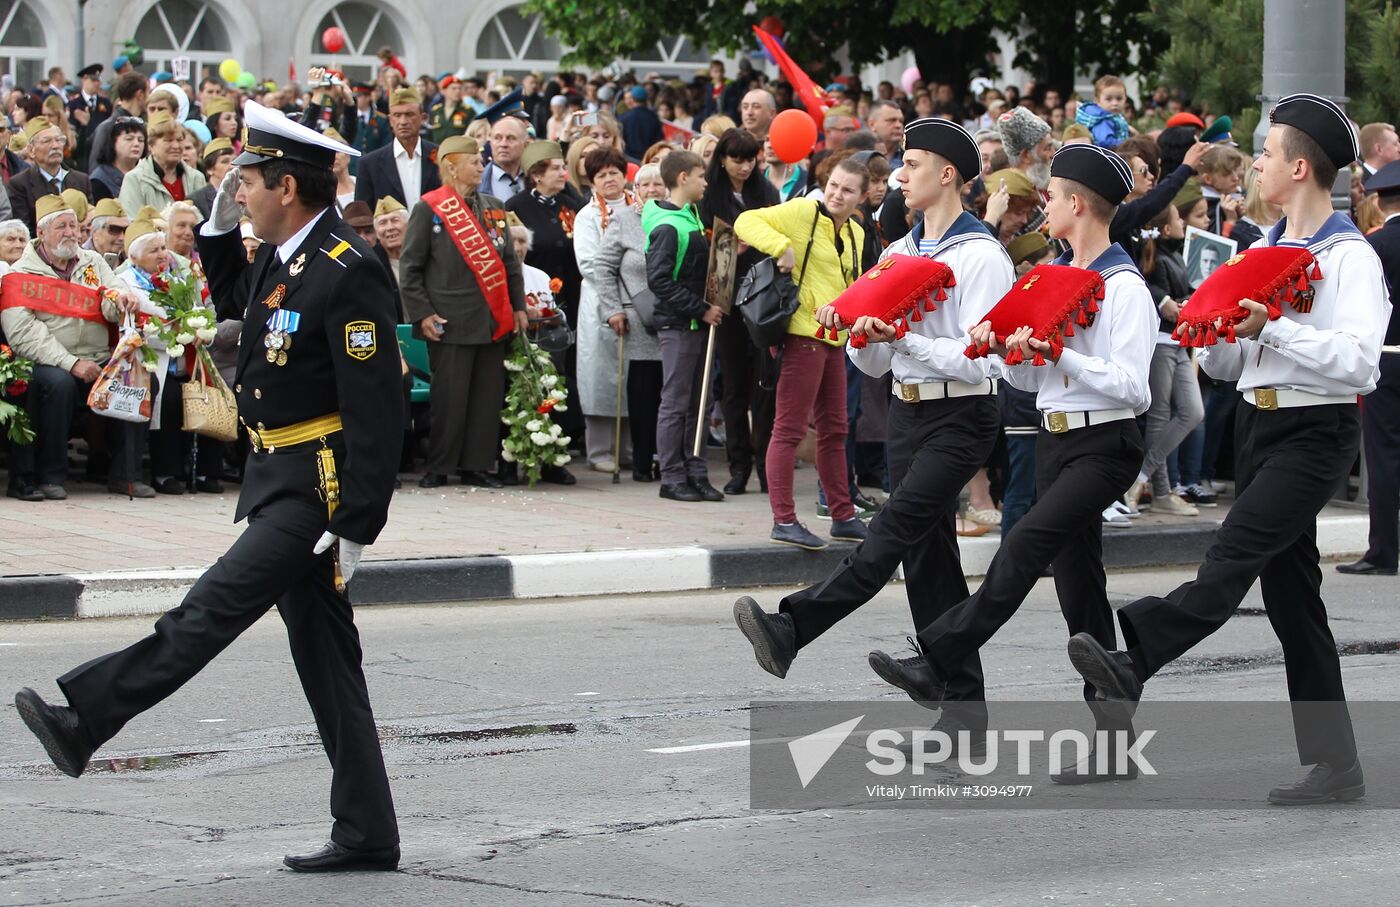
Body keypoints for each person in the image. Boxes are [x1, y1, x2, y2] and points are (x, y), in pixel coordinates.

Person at [14, 101, 406, 870]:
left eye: (249, 180)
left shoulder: (347, 268)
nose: (239, 189)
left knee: (206, 611)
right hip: (279, 479)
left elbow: (378, 404)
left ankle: (86, 719)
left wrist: (359, 518)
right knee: (330, 667)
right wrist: (224, 226)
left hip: (315, 492)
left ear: (286, 188)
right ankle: (367, 830)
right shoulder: (288, 255)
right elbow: (237, 303)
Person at [1068, 94, 1390, 804]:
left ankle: (1137, 657)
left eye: (1268, 153)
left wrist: (1269, 326)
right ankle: (1337, 763)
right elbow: (1231, 364)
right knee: (1291, 596)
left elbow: (1359, 363)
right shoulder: (1261, 251)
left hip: (1316, 429)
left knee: (1233, 553)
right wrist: (1213, 335)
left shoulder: (1350, 256)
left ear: (1300, 168)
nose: (1257, 164)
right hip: (1258, 424)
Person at [867, 145, 1155, 782]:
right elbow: (1025, 376)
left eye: (1051, 195)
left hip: (1105, 443)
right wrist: (1012, 349)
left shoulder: (1123, 285)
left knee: (1023, 545)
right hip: (1056, 440)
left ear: (1077, 204)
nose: (1043, 204)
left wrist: (1058, 355)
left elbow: (1135, 389)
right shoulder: (1052, 274)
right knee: (1081, 592)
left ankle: (939, 656)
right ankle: (1116, 747)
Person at [732, 120, 1012, 727]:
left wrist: (902, 337)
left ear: (948, 175)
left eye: (912, 165)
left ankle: (794, 626)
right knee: (930, 563)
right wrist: (861, 336)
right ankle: (964, 718)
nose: (900, 177)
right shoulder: (897, 252)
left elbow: (983, 359)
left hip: (961, 414)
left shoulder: (982, 254)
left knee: (892, 528)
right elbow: (876, 363)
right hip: (908, 412)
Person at [735, 157, 872, 548]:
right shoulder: (803, 211)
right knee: (789, 429)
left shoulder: (858, 232)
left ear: (861, 197)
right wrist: (782, 247)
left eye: (847, 190)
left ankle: (842, 515)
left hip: (834, 339)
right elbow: (745, 221)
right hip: (801, 335)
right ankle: (784, 520)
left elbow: (852, 285)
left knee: (836, 429)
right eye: (833, 185)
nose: (836, 194)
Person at [399, 134, 531, 489]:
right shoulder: (429, 208)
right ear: (452, 167)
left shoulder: (494, 207)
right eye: (474, 161)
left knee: (486, 398)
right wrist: (423, 313)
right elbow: (410, 268)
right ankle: (440, 465)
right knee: (450, 399)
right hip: (449, 320)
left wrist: (518, 307)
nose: (481, 166)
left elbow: (509, 264)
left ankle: (477, 465)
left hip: (492, 317)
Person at [2, 195, 149, 501]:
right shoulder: (21, 273)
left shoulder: (92, 261)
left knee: (137, 379)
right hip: (48, 361)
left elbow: (112, 291)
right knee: (59, 385)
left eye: (74, 226)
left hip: (98, 356)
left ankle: (127, 476)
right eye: (62, 227)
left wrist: (121, 301)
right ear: (41, 232)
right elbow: (24, 334)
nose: (71, 233)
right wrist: (71, 363)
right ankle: (50, 476)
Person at [699, 128, 780, 494]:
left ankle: (766, 465)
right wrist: (730, 245)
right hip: (726, 296)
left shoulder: (766, 193)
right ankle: (739, 466)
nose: (745, 167)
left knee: (764, 386)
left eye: (750, 160)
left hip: (763, 296)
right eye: (737, 160)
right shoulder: (709, 196)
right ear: (722, 159)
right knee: (733, 387)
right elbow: (706, 246)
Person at [645, 150, 724, 503]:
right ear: (682, 178)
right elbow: (660, 280)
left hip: (696, 323)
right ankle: (672, 476)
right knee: (676, 402)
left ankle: (696, 471)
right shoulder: (668, 225)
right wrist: (701, 309)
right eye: (700, 175)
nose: (705, 182)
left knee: (700, 402)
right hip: (679, 325)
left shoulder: (689, 215)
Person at [506, 140, 585, 461]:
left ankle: (561, 432)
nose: (563, 173)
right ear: (537, 174)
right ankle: (530, 435)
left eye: (563, 167)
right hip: (531, 299)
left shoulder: (572, 204)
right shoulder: (517, 206)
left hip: (570, 302)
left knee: (561, 373)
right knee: (535, 373)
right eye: (555, 168)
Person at [1339, 160, 1400, 575]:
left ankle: (1383, 551)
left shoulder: (1375, 244)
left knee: (1384, 456)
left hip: (1389, 357)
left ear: (1378, 202)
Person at [1127, 201, 1203, 518]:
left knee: (1193, 411)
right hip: (1160, 342)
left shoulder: (1176, 255)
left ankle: (1141, 477)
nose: (1183, 223)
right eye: (1178, 219)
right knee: (1158, 417)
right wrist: (1166, 301)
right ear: (1167, 228)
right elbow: (1146, 287)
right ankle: (1160, 492)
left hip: (1179, 341)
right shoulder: (1150, 256)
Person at [595, 161, 666, 481]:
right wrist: (613, 309)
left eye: (658, 183)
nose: (651, 190)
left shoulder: (680, 217)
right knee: (643, 394)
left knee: (671, 394)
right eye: (644, 184)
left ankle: (668, 458)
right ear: (635, 190)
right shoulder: (623, 220)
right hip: (638, 319)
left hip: (676, 317)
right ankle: (641, 461)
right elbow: (603, 267)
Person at [573, 147, 639, 472]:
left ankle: (627, 448)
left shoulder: (640, 208)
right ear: (592, 181)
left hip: (636, 300)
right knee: (600, 376)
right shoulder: (587, 216)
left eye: (614, 172)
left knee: (630, 377)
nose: (609, 179)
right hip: (601, 300)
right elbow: (589, 263)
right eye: (602, 175)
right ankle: (599, 451)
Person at [353, 88, 440, 210]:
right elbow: (362, 214)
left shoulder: (440, 156)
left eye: (409, 114)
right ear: (390, 120)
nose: (403, 122)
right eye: (397, 115)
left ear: (423, 118)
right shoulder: (369, 164)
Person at [118, 114, 206, 218]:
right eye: (168, 140)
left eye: (179, 140)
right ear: (151, 145)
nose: (176, 146)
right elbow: (133, 221)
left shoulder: (197, 178)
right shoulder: (135, 179)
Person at [9, 119, 89, 234]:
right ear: (31, 150)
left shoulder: (81, 180)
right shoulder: (20, 184)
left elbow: (88, 223)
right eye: (47, 141)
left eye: (59, 140)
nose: (55, 146)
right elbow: (25, 230)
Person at [88, 116, 147, 203]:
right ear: (113, 142)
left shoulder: (148, 174)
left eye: (141, 140)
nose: (136, 144)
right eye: (129, 139)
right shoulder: (99, 180)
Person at [479, 115, 529, 202]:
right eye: (497, 138)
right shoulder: (477, 183)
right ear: (490, 143)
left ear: (525, 145)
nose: (503, 144)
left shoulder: (537, 179)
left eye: (511, 138)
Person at [1075, 75, 1131, 149]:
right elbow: (1105, 142)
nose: (1115, 103)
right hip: (1108, 155)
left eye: (1119, 98)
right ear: (1097, 101)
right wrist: (1128, 144)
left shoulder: (1112, 116)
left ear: (1125, 99)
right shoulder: (1102, 119)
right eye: (1108, 99)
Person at [619, 86, 663, 160]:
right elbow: (659, 140)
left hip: (630, 158)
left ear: (632, 99)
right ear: (646, 99)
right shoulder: (654, 117)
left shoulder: (624, 117)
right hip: (649, 157)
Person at [372, 196, 408, 283]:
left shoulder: (424, 253)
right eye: (383, 223)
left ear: (409, 226)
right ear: (376, 233)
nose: (390, 228)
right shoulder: (373, 263)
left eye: (395, 220)